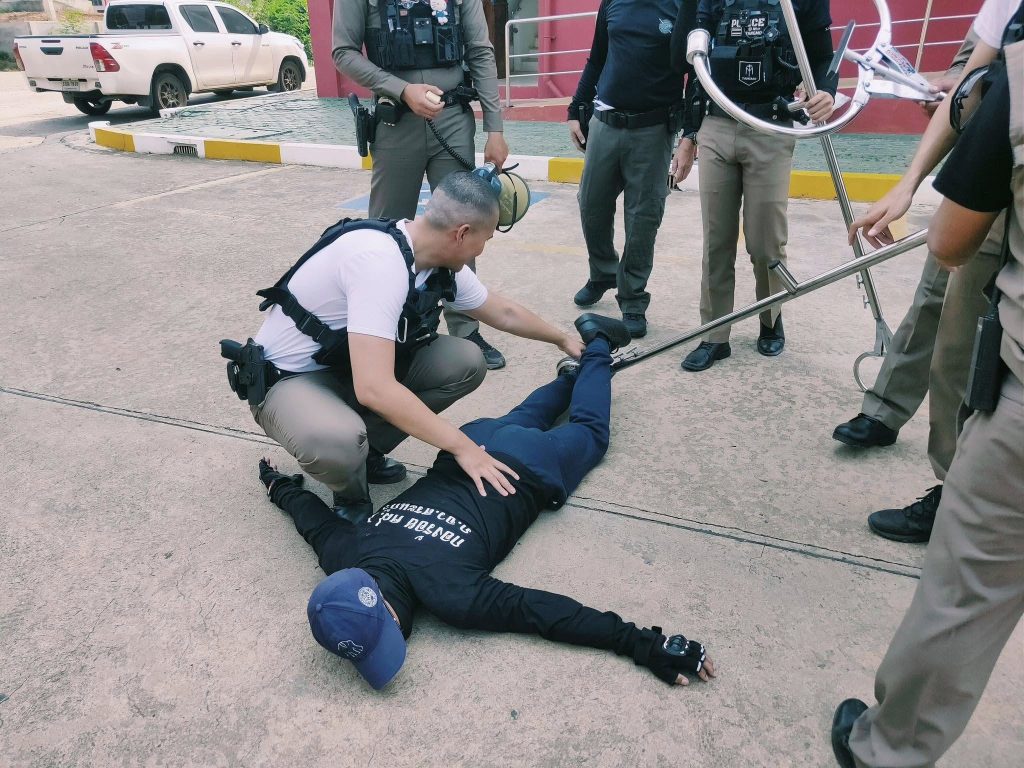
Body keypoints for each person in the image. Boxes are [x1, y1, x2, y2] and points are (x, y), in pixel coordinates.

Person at [258, 314, 717, 690]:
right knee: (524, 416)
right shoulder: (344, 555)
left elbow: (544, 613)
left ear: (393, 614)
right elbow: (313, 521)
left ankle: (597, 345)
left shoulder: (451, 595)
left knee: (591, 432)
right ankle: (572, 376)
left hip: (530, 468)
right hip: (471, 444)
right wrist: (278, 485)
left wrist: (641, 643)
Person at [831, 8, 1024, 765]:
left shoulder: (1018, 78)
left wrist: (967, 144)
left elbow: (949, 243)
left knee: (966, 589)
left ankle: (889, 749)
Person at [239, 172, 584, 523]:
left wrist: (562, 339)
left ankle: (366, 453)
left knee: (464, 361)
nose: (483, 249)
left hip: (344, 369)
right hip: (289, 381)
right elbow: (374, 389)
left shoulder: (434, 260)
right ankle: (350, 492)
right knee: (336, 442)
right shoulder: (379, 262)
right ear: (462, 233)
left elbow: (503, 312)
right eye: (486, 239)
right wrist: (464, 448)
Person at [831, 29, 1004, 544]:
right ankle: (902, 430)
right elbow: (968, 79)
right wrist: (908, 182)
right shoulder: (1004, 12)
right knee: (939, 308)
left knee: (980, 347)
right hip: (988, 169)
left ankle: (967, 494)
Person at [333, 0, 509, 369]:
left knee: (461, 228)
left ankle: (465, 329)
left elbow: (480, 51)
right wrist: (401, 89)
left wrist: (495, 128)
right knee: (385, 232)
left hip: (453, 119)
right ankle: (384, 331)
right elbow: (343, 52)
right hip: (395, 122)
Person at [679, 0, 837, 371]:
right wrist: (689, 131)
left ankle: (771, 317)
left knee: (767, 241)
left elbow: (822, 57)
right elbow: (697, 64)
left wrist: (826, 91)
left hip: (772, 126)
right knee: (717, 240)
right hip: (717, 123)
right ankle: (715, 335)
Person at [567, 0, 691, 340]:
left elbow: (693, 73)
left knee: (643, 218)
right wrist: (575, 109)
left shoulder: (683, 6)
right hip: (605, 122)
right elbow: (597, 58)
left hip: (653, 128)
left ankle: (633, 298)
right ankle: (603, 272)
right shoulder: (612, 3)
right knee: (591, 204)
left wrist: (690, 135)